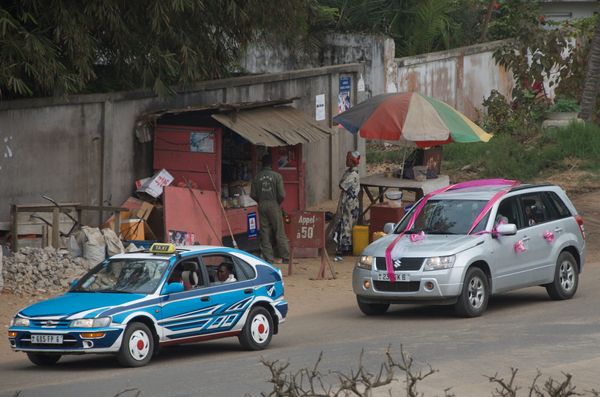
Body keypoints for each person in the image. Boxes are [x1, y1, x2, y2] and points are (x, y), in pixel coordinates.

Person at [251, 154, 289, 264]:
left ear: (262, 164)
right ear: (271, 164)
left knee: (265, 232)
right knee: (279, 231)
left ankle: (269, 258)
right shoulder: (277, 176)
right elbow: (282, 194)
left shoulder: (257, 177)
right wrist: (276, 202)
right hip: (274, 204)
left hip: (262, 205)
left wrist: (261, 201)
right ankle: (285, 256)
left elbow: (253, 194)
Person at [333, 151, 361, 261]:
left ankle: (345, 248)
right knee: (345, 223)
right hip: (348, 202)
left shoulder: (352, 175)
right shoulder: (349, 172)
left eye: (347, 159)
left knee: (347, 224)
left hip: (350, 204)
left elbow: (341, 185)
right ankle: (343, 246)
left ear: (352, 161)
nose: (346, 161)